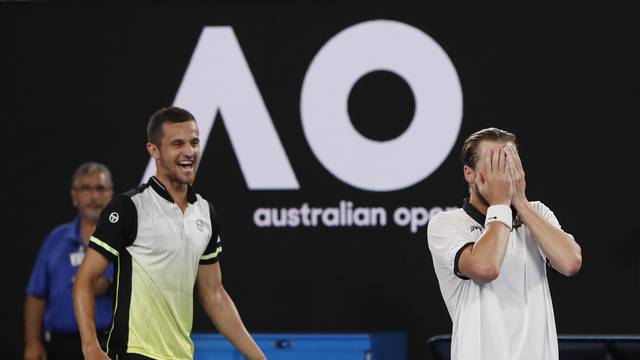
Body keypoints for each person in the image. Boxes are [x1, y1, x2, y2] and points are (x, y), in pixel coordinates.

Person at [73, 106, 266, 360]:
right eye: (177, 144)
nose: (189, 152)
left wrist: (258, 356)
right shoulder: (130, 207)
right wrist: (91, 348)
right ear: (154, 151)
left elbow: (214, 294)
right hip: (133, 351)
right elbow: (84, 281)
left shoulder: (206, 213)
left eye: (194, 142)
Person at [427, 127, 582, 360]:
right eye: (494, 164)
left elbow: (570, 263)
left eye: (509, 163)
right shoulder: (446, 224)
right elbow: (486, 268)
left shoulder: (536, 212)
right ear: (470, 174)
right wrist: (500, 204)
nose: (503, 175)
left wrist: (520, 202)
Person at [25, 162, 115, 360]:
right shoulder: (56, 239)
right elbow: (36, 295)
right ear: (75, 197)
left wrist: (109, 286)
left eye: (100, 188)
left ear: (110, 196)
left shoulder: (124, 240)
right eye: (86, 188)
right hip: (62, 346)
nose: (93, 196)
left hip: (110, 345)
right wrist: (33, 342)